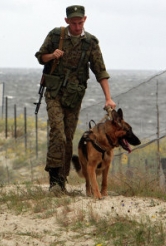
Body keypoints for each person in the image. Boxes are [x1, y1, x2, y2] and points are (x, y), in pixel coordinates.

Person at [35, 5, 116, 192]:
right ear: (67, 21)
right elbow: (40, 57)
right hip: (54, 93)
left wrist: (108, 98)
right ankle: (54, 181)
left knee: (68, 138)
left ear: (85, 20)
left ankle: (62, 180)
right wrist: (52, 55)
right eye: (73, 23)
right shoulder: (56, 36)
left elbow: (100, 71)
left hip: (74, 97)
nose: (77, 26)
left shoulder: (90, 43)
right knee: (58, 133)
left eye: (80, 22)